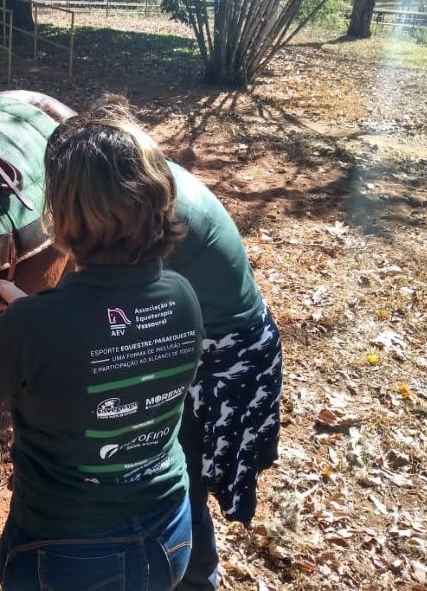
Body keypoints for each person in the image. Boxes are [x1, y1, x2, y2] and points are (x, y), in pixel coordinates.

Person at [0, 98, 206, 590]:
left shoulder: (34, 327)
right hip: (169, 535)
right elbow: (111, 343)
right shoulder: (183, 295)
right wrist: (28, 310)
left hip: (65, 556)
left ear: (63, 215)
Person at [163, 140, 283, 591]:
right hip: (228, 345)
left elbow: (116, 307)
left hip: (225, 361)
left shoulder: (147, 213)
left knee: (181, 478)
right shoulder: (151, 179)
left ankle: (196, 580)